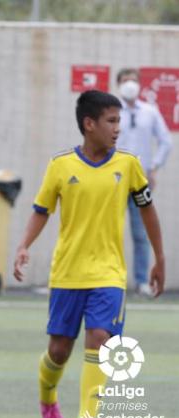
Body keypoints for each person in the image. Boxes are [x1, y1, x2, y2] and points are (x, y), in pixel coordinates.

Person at [13, 90, 165, 418]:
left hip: (109, 273)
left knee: (100, 337)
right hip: (68, 272)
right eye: (111, 121)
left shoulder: (128, 164)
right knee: (59, 350)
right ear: (89, 124)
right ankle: (48, 401)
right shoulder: (61, 165)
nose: (116, 129)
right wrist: (23, 245)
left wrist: (160, 257)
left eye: (119, 122)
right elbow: (41, 211)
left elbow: (147, 210)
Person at [115, 68, 172, 297]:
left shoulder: (150, 111)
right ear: (118, 84)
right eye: (125, 81)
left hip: (140, 181)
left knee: (141, 233)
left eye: (133, 81)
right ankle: (112, 279)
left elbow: (166, 141)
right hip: (114, 180)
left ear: (140, 85)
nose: (130, 84)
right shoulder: (111, 110)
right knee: (110, 231)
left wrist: (154, 167)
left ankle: (141, 281)